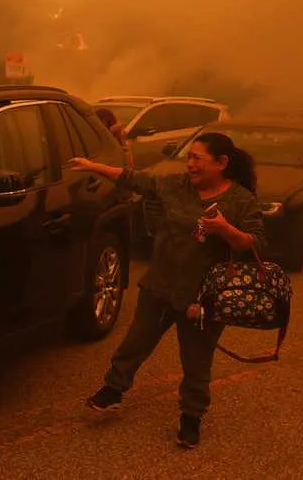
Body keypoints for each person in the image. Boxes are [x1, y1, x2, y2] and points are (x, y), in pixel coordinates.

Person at [68, 131, 266, 449]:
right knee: (135, 343)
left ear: (221, 163)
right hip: (160, 286)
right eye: (188, 157)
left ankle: (191, 418)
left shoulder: (240, 200)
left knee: (196, 362)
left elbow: (256, 243)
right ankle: (112, 391)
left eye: (197, 158)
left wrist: (225, 229)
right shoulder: (175, 185)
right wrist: (94, 166)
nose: (190, 164)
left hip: (203, 299)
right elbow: (136, 180)